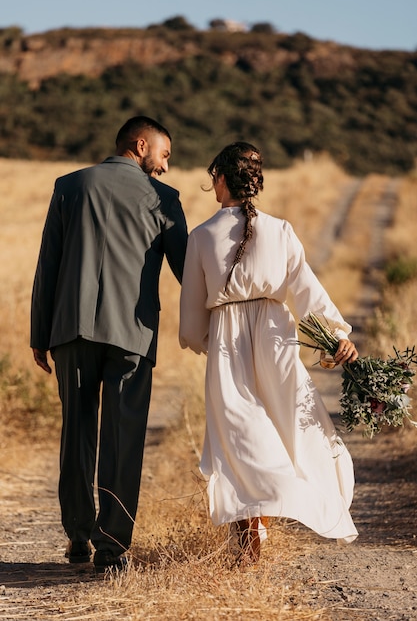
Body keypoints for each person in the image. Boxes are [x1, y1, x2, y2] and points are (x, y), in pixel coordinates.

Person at [179, 142, 359, 565]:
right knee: (286, 429)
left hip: (228, 345)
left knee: (241, 439)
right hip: (277, 339)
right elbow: (307, 292)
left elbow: (190, 322)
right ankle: (258, 531)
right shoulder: (281, 231)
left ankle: (250, 536)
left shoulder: (201, 236)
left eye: (213, 179)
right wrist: (336, 334)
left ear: (221, 179)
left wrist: (208, 344)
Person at [31, 116, 188, 571]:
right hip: (132, 336)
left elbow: (49, 265)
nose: (165, 165)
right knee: (124, 439)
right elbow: (187, 271)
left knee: (76, 433)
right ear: (140, 146)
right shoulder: (165, 200)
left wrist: (39, 335)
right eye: (164, 154)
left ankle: (78, 534)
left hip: (70, 332)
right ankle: (112, 547)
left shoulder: (69, 185)